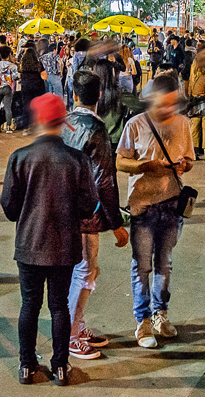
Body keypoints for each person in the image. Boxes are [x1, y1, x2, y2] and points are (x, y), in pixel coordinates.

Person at [1, 93, 98, 386]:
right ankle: (60, 366)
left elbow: (9, 207)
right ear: (61, 123)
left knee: (29, 304)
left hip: (29, 244)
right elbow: (88, 205)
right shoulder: (77, 160)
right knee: (59, 306)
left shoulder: (20, 157)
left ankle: (26, 365)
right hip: (64, 246)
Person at [116, 74, 195, 350]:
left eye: (173, 103)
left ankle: (161, 313)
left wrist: (183, 165)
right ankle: (143, 320)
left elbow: (190, 160)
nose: (168, 108)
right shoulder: (135, 124)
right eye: (163, 103)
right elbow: (120, 161)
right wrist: (143, 166)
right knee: (142, 265)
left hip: (172, 203)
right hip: (143, 205)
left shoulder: (183, 124)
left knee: (165, 262)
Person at [62, 71, 129, 360]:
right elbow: (104, 181)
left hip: (62, 208)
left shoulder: (65, 123)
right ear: (99, 96)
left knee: (78, 271)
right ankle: (70, 334)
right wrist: (116, 224)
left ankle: (75, 325)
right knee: (85, 271)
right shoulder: (96, 129)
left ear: (74, 94)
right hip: (86, 213)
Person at [0, 46, 19, 134]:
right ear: (9, 55)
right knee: (7, 108)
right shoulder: (12, 66)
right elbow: (15, 77)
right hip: (7, 87)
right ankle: (8, 127)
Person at [17, 47, 46, 134]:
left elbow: (19, 75)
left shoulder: (22, 65)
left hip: (26, 87)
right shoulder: (38, 64)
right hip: (38, 87)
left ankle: (26, 127)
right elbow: (44, 76)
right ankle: (37, 126)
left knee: (26, 106)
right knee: (37, 106)